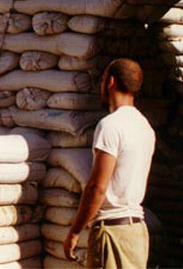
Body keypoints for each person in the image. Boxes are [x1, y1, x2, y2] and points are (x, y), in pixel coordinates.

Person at [63, 58, 156, 268]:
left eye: (103, 79)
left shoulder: (110, 126)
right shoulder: (145, 127)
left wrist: (75, 231)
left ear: (110, 82)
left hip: (112, 233)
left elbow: (97, 187)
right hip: (136, 232)